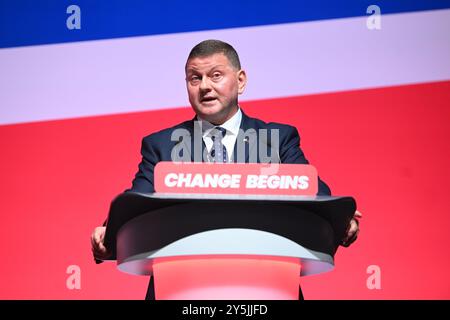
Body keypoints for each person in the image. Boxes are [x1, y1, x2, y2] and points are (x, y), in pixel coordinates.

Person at [91, 39, 361, 299]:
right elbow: (134, 206)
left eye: (215, 75)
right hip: (181, 290)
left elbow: (316, 194)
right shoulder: (160, 145)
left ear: (241, 80)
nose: (205, 87)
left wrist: (341, 218)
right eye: (194, 78)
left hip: (265, 289)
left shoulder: (277, 140)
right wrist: (110, 235)